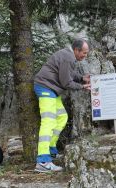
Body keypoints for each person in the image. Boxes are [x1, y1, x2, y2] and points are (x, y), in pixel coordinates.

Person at [33, 39, 91, 172]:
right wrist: (82, 86)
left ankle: (50, 150)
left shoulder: (68, 56)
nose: (85, 56)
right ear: (76, 50)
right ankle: (42, 161)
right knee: (48, 121)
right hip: (45, 89)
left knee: (61, 117)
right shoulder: (68, 58)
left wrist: (82, 78)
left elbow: (68, 74)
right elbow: (66, 83)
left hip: (52, 90)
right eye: (84, 53)